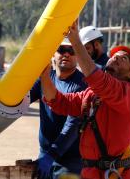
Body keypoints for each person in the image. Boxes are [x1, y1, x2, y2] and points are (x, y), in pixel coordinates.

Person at [40, 21, 130, 179]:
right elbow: (59, 102)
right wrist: (45, 77)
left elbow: (97, 78)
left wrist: (75, 40)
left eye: (123, 59)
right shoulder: (93, 95)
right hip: (92, 172)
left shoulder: (128, 93)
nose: (115, 58)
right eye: (114, 56)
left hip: (117, 174)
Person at [30, 38, 87, 179]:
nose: (66, 54)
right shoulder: (45, 78)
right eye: (61, 50)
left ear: (78, 56)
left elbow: (72, 126)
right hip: (45, 156)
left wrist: (51, 155)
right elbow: (21, 99)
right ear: (53, 54)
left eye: (71, 51)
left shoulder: (81, 85)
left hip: (71, 162)